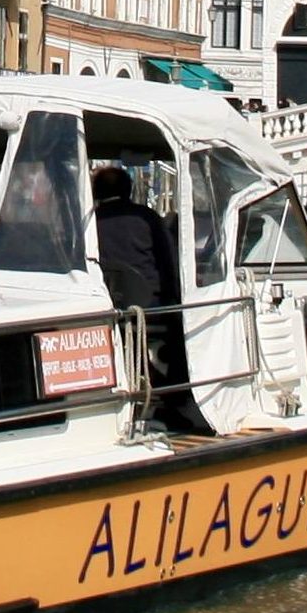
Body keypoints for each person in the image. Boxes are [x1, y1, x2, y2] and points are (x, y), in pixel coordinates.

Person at [91, 163, 209, 435]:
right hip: (149, 306)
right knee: (185, 330)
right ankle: (177, 399)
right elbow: (170, 263)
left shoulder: (90, 224)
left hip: (109, 309)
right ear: (128, 189)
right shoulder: (146, 218)